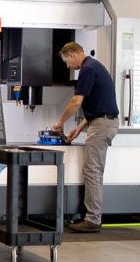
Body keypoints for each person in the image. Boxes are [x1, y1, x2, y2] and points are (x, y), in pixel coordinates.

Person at [51, 42, 119, 233]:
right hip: (101, 122)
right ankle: (92, 216)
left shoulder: (87, 69)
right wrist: (79, 129)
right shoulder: (93, 67)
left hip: (102, 125)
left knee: (92, 171)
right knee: (94, 170)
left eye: (66, 61)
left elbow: (76, 102)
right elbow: (98, 106)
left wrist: (60, 123)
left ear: (72, 54)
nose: (67, 66)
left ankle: (93, 219)